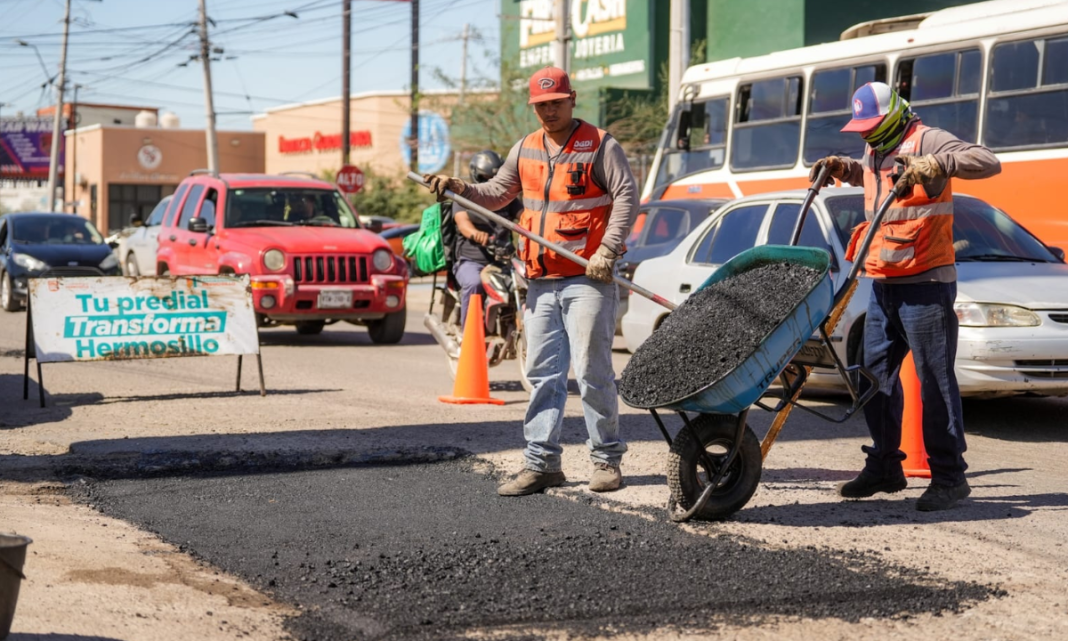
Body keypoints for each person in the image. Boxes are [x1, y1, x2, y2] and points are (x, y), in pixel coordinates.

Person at [424, 66, 637, 496]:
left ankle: (606, 460)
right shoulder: (525, 148)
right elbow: (498, 193)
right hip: (540, 280)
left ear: (572, 98)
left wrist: (608, 250)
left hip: (586, 278)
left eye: (555, 102)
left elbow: (627, 195)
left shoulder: (600, 145)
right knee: (543, 374)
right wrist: (458, 186)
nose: (548, 111)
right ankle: (542, 463)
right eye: (540, 105)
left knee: (594, 372)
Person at [810, 81, 1001, 511]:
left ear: (894, 114)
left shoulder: (926, 138)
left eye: (871, 126)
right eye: (860, 129)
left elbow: (988, 161)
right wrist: (845, 169)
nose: (865, 136)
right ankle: (885, 466)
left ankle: (950, 477)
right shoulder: (876, 147)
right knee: (873, 377)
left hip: (926, 284)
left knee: (934, 382)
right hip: (884, 283)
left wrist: (938, 162)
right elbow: (880, 181)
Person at [452, 150, 522, 330]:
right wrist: (476, 234)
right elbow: (463, 224)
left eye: (495, 177)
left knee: (526, 283)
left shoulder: (509, 199)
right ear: (476, 174)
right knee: (474, 283)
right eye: (486, 177)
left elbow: (526, 218)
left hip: (503, 262)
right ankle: (468, 333)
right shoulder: (463, 197)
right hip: (471, 261)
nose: (490, 181)